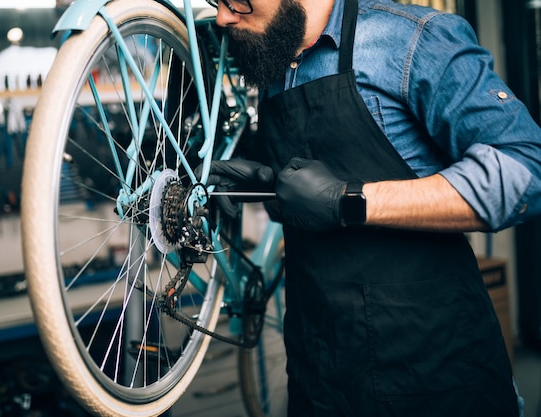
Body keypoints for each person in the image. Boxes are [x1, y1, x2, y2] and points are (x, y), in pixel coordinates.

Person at [202, 0, 541, 416]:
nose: (222, 16)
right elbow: (311, 204)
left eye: (236, 1)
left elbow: (526, 169)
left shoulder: (413, 39)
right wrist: (272, 189)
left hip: (434, 371)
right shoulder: (275, 61)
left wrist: (349, 200)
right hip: (320, 373)